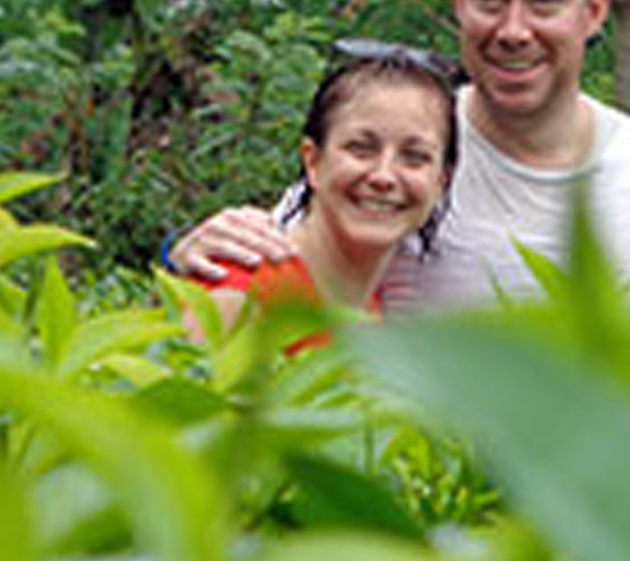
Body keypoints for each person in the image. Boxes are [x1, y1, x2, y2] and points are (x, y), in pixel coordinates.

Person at [170, 0, 630, 319]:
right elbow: (270, 266)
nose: (513, 30)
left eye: (543, 0)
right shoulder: (407, 144)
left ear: (594, 11)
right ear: (459, 3)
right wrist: (186, 253)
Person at [190, 41, 458, 347]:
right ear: (313, 161)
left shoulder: (372, 318)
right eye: (361, 148)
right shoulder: (240, 294)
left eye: (414, 157)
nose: (384, 176)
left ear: (442, 181)